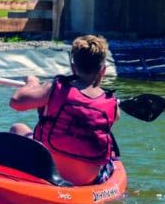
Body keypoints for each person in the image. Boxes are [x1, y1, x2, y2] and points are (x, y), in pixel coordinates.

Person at [8, 34, 119, 186]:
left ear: (73, 68)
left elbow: (16, 102)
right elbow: (112, 117)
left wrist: (32, 83)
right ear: (103, 71)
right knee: (112, 155)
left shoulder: (56, 89)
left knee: (18, 128)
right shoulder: (112, 103)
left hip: (47, 171)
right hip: (86, 179)